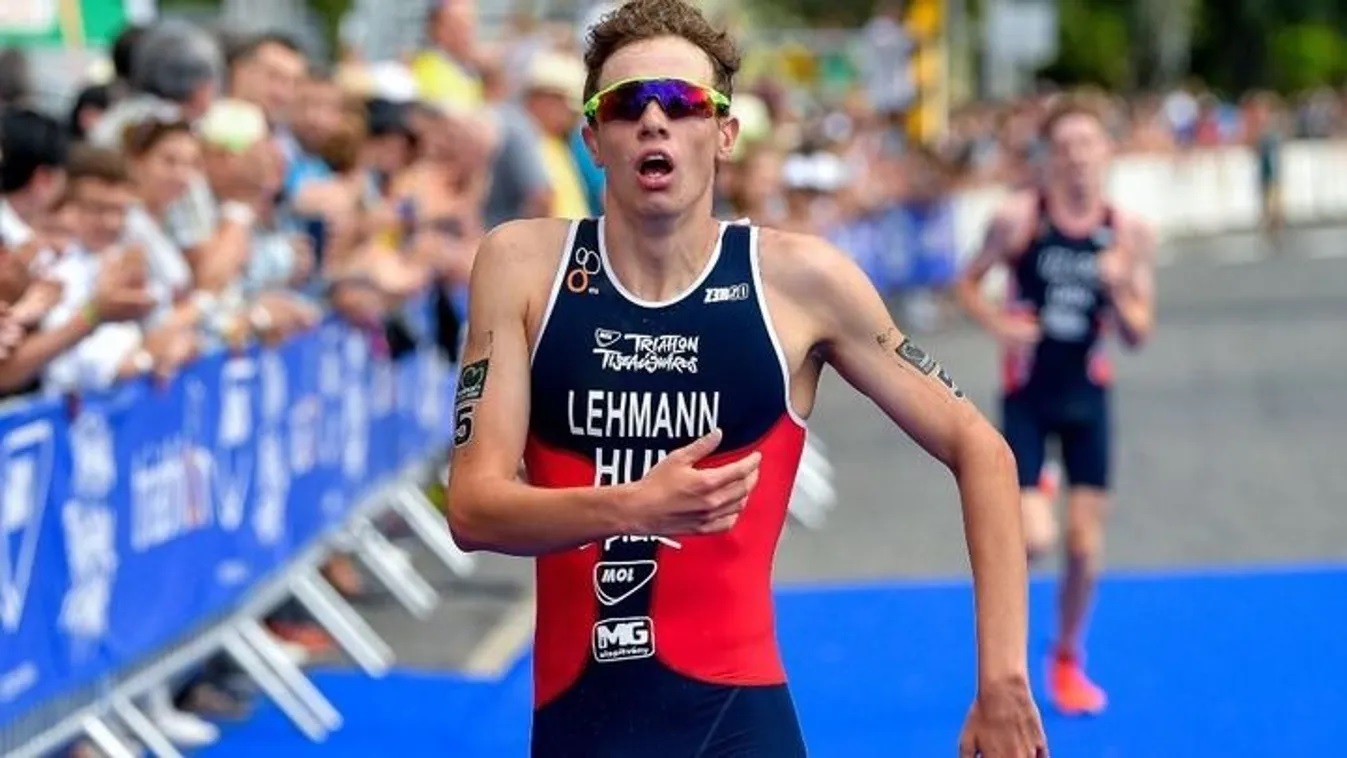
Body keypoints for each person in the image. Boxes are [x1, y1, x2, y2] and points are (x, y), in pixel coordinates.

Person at [445, 1, 1047, 755]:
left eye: (683, 103)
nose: (655, 121)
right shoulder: (522, 265)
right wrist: (633, 506)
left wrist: (1002, 679)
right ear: (592, 138)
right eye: (627, 104)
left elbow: (981, 448)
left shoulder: (799, 281)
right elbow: (472, 509)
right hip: (581, 724)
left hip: (737, 721)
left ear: (724, 134)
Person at [954, 92, 1157, 717]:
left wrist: (1118, 289)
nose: (1076, 158)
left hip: (1087, 397)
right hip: (1028, 396)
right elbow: (966, 282)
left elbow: (1139, 332)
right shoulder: (1020, 219)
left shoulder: (1128, 232)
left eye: (1086, 145)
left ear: (1106, 152)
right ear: (1047, 157)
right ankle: (1004, 667)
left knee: (1084, 546)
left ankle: (1067, 656)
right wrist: (1000, 323)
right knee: (1035, 538)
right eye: (1064, 147)